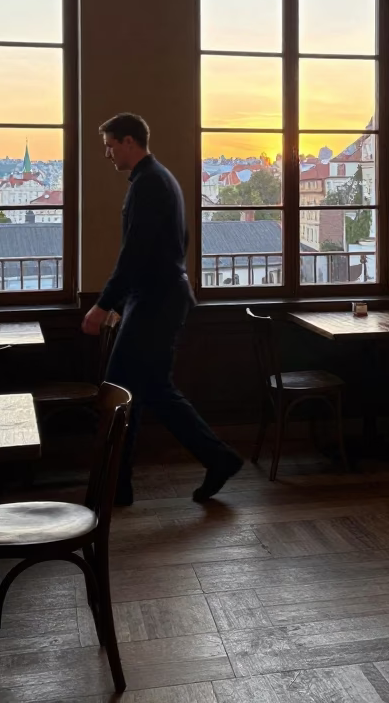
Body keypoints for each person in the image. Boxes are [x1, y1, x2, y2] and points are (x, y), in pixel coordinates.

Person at [82, 112, 242, 504]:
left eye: (110, 145)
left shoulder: (149, 183)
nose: (107, 153)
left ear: (129, 142)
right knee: (146, 390)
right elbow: (164, 248)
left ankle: (118, 484)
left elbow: (135, 253)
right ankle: (126, 483)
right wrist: (122, 302)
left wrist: (104, 305)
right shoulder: (158, 178)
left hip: (154, 302)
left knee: (121, 390)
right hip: (159, 299)